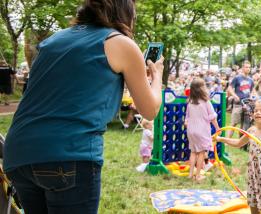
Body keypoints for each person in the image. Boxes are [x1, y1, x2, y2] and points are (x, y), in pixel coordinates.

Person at [3, 0, 163, 212]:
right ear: (125, 12)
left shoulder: (53, 40)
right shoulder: (120, 43)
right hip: (68, 154)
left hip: (17, 154)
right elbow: (149, 110)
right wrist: (157, 75)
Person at [214, 100, 261, 214]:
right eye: (256, 110)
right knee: (253, 205)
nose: (258, 113)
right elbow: (238, 143)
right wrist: (221, 139)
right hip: (253, 173)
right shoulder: (251, 130)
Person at [185, 78, 220, 181]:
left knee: (193, 152)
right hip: (202, 130)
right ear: (202, 89)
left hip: (191, 130)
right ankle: (198, 175)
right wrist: (217, 128)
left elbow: (187, 117)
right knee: (201, 152)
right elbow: (212, 117)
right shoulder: (206, 102)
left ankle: (190, 174)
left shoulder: (190, 102)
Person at [227, 61, 254, 137]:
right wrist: (235, 96)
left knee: (244, 124)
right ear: (242, 68)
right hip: (238, 104)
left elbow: (251, 91)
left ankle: (241, 143)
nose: (248, 69)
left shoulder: (251, 80)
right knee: (234, 123)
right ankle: (227, 141)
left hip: (247, 105)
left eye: (249, 67)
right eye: (246, 67)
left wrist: (251, 97)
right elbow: (230, 88)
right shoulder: (237, 78)